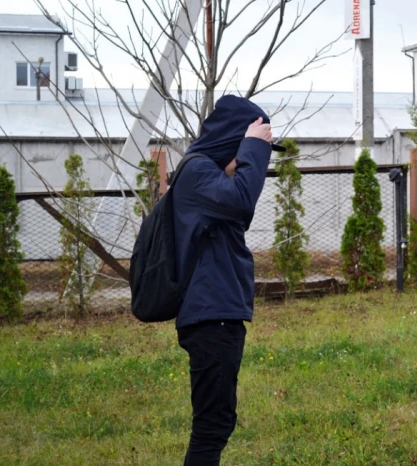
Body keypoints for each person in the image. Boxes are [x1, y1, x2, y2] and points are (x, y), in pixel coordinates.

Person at [172, 95, 285, 465]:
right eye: (254, 152)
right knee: (211, 426)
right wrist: (251, 146)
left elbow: (238, 208)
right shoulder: (197, 172)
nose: (258, 166)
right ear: (232, 143)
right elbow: (241, 202)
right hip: (210, 318)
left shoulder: (208, 179)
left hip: (217, 315)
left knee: (217, 422)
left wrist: (248, 153)